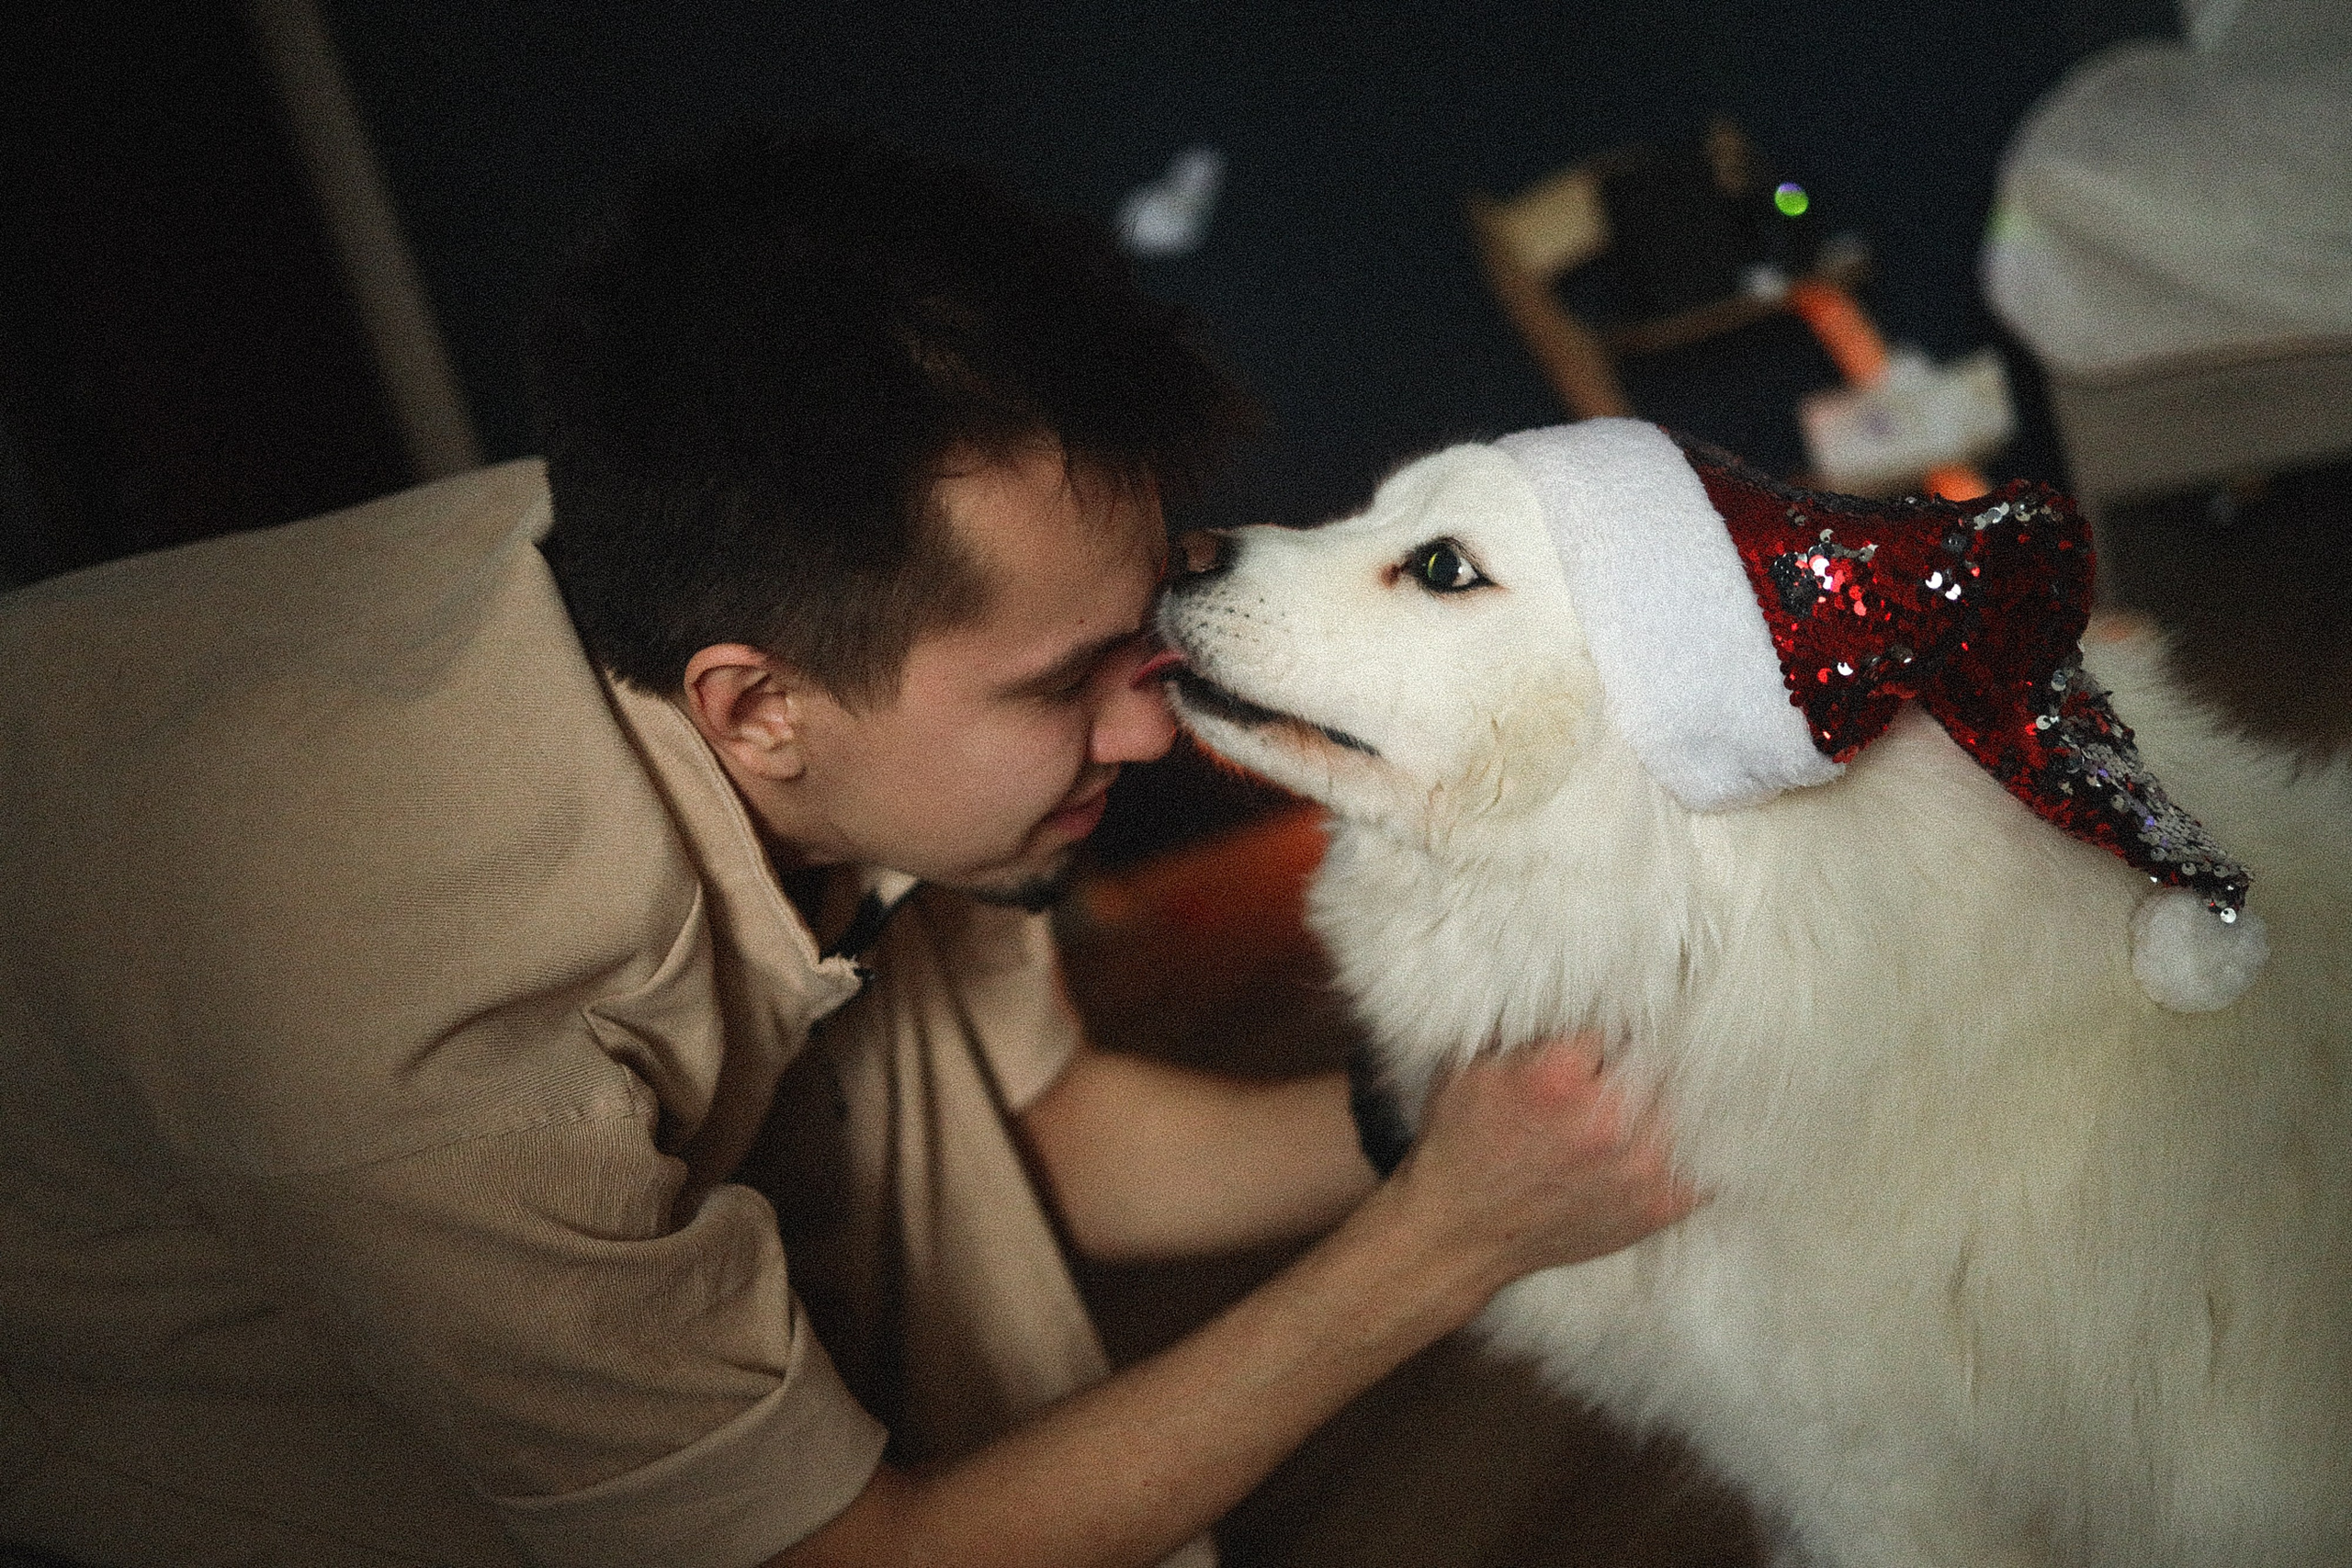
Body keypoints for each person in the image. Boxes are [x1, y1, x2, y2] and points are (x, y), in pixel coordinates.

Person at [0, 127, 1694, 1568]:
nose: (1152, 724)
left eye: (1140, 637)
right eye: (1065, 687)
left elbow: (1046, 1141)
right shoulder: (428, 1055)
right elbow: (843, 1558)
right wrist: (1456, 1236)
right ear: (758, 713)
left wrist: (1435, 1124)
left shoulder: (776, 564)